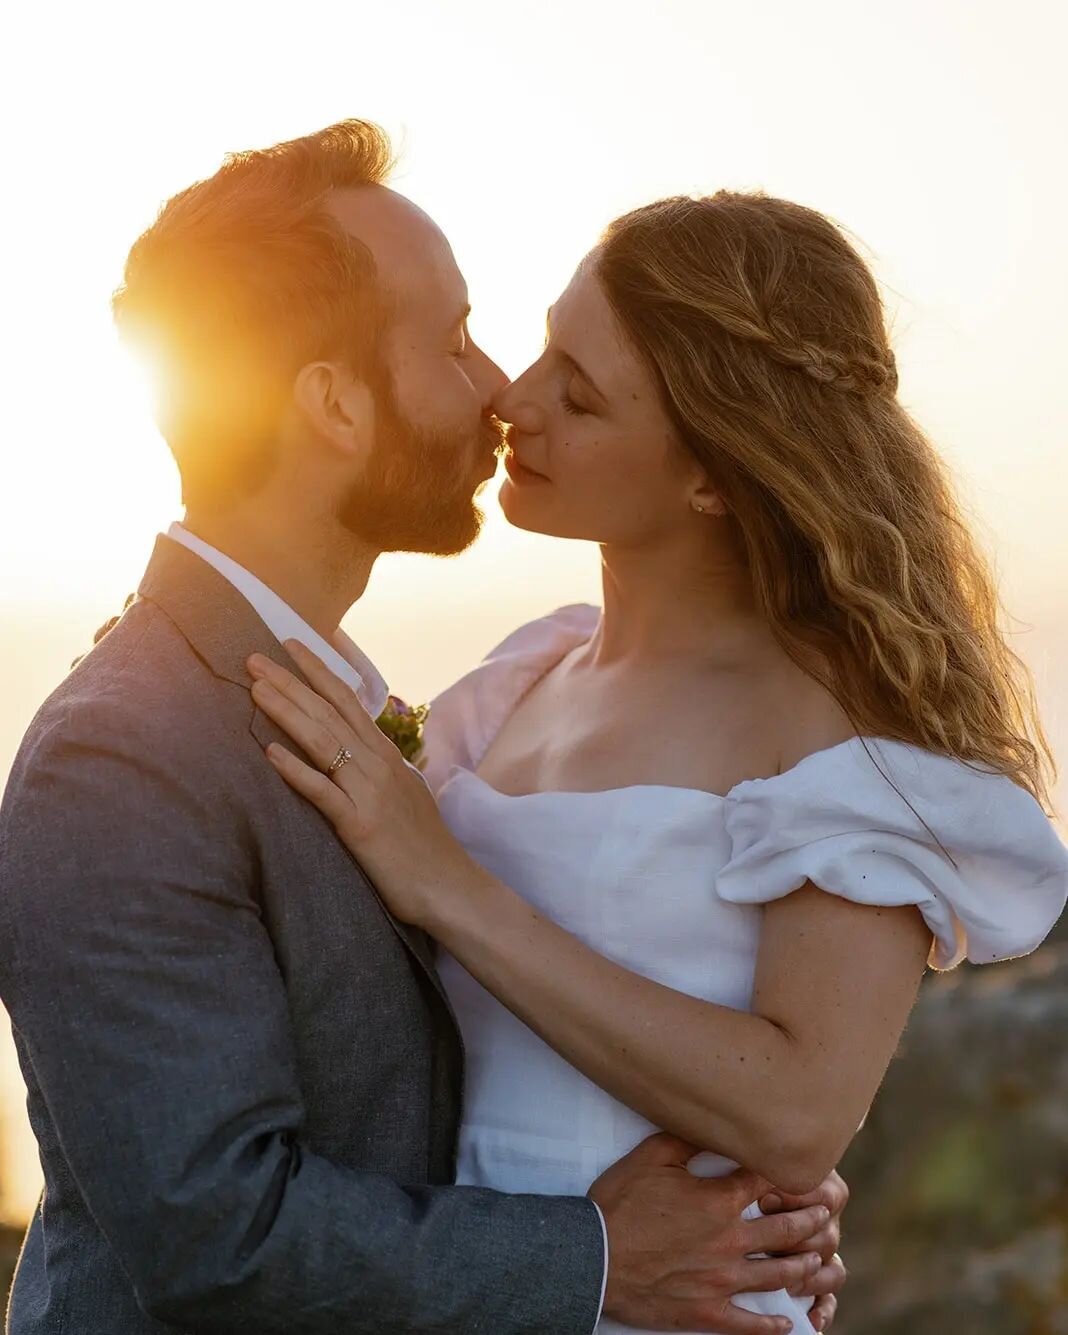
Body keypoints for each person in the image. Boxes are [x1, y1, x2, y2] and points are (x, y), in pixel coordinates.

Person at [0, 122, 847, 1335]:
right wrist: (599, 1260)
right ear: (334, 404)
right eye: (452, 339)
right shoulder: (121, 755)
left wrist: (730, 1201)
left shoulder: (333, 689)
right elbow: (214, 1233)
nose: (500, 385)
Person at [246, 187, 1068, 1335]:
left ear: (714, 477)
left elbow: (796, 1115)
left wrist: (451, 889)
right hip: (481, 1289)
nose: (513, 403)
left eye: (578, 397)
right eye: (542, 351)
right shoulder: (517, 686)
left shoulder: (835, 739)